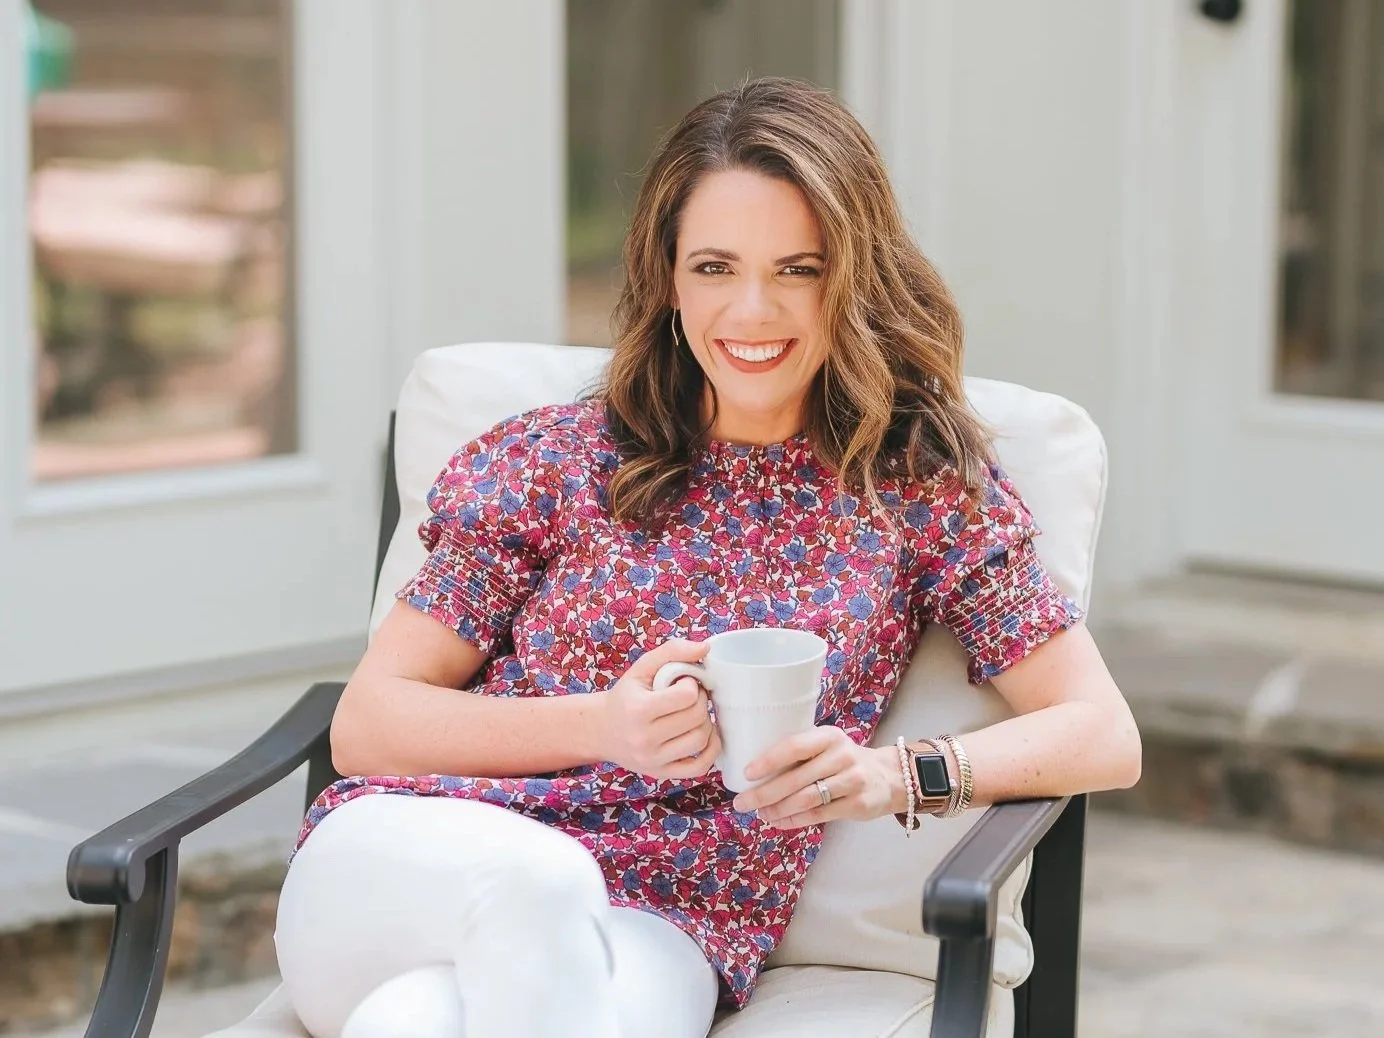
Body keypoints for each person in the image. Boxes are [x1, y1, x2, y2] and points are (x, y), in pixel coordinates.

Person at [270, 77, 1142, 1038]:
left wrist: (893, 776)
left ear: (853, 276)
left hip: (662, 926)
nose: (753, 311)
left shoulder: (916, 489)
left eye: (799, 269)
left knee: (419, 1024)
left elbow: (1101, 732)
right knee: (537, 886)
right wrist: (608, 726)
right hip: (412, 861)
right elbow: (369, 724)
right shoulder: (553, 458)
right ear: (669, 277)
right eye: (716, 268)